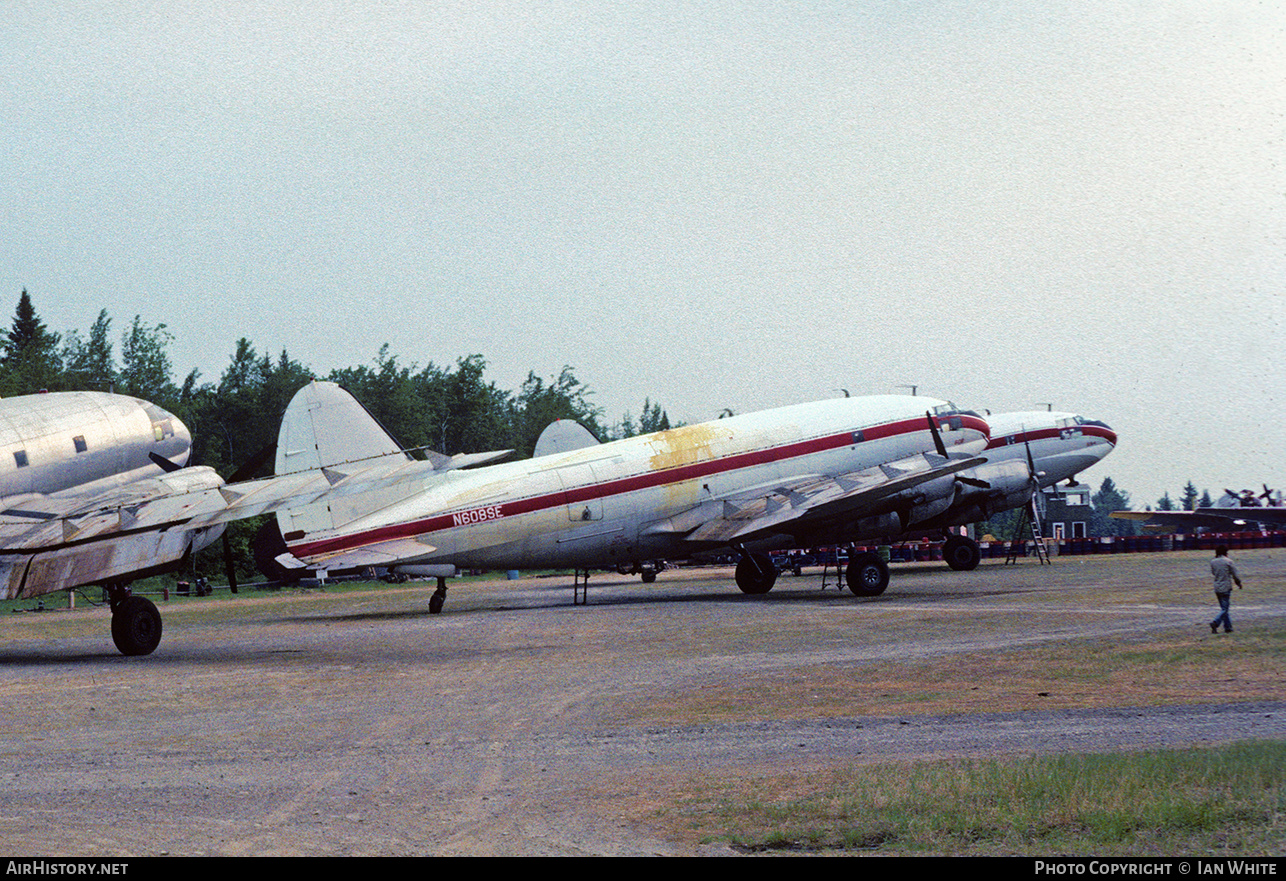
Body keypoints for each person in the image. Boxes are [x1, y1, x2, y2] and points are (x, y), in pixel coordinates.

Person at [1209, 545, 1243, 634]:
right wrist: (1238, 583)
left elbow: (1213, 573)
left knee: (1224, 608)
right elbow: (1235, 575)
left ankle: (1228, 627)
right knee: (1225, 609)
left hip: (1217, 587)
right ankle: (1215, 622)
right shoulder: (1228, 561)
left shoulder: (1213, 562)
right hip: (1226, 587)